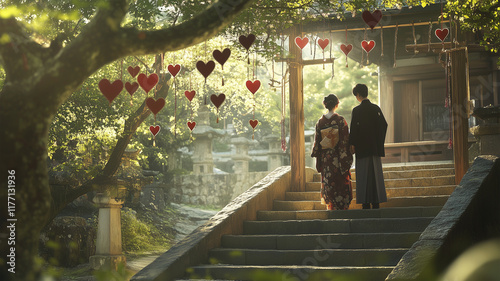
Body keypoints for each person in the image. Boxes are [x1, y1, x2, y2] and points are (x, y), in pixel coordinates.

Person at [311, 94, 353, 210]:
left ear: (325, 105)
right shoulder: (340, 120)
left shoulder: (320, 122)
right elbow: (345, 139)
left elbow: (317, 142)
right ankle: (342, 206)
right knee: (340, 181)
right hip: (339, 157)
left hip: (326, 159)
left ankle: (330, 206)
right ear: (337, 104)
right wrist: (345, 155)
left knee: (329, 181)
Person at [349, 84, 388, 209]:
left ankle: (365, 203)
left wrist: (353, 144)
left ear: (359, 95)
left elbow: (353, 129)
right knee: (375, 175)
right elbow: (384, 125)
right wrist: (378, 142)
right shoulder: (375, 108)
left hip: (361, 148)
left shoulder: (356, 110)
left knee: (363, 176)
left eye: (356, 95)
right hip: (374, 148)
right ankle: (376, 202)